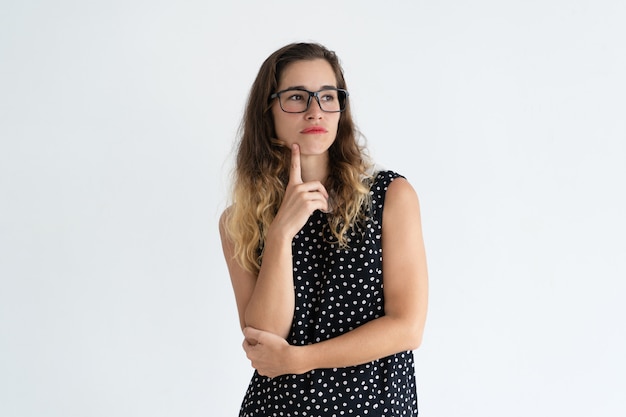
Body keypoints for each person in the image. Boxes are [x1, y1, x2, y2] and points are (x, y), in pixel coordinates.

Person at [219, 42, 429, 416]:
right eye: (297, 97)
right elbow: (265, 335)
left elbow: (407, 328)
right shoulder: (241, 219)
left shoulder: (390, 196)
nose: (315, 110)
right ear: (267, 109)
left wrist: (300, 360)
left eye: (328, 96)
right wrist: (282, 232)